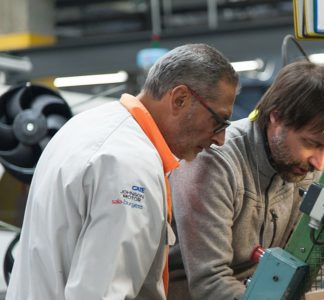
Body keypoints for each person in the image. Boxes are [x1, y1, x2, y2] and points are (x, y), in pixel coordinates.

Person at [6, 43, 238, 300]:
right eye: (218, 121)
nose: (221, 139)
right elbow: (102, 294)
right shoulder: (130, 166)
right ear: (179, 99)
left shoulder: (89, 125)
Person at [168, 60, 324, 300]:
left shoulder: (302, 170)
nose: (318, 164)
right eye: (311, 143)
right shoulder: (215, 163)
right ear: (276, 118)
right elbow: (210, 283)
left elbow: (314, 258)